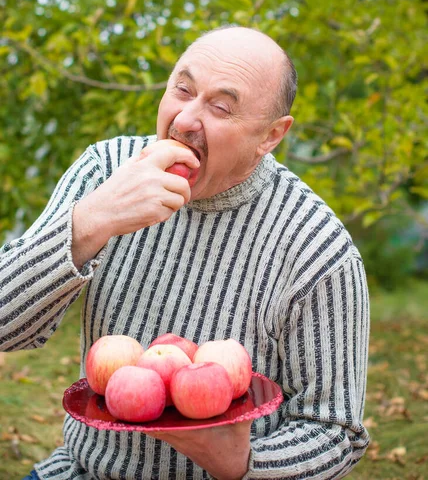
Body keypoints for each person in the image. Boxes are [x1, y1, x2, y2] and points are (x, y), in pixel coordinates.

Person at [1, 26, 370, 480]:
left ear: (272, 135)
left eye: (220, 107)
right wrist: (89, 223)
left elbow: (336, 431)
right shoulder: (106, 171)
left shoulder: (316, 247)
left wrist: (243, 465)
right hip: (82, 472)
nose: (185, 120)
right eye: (182, 89)